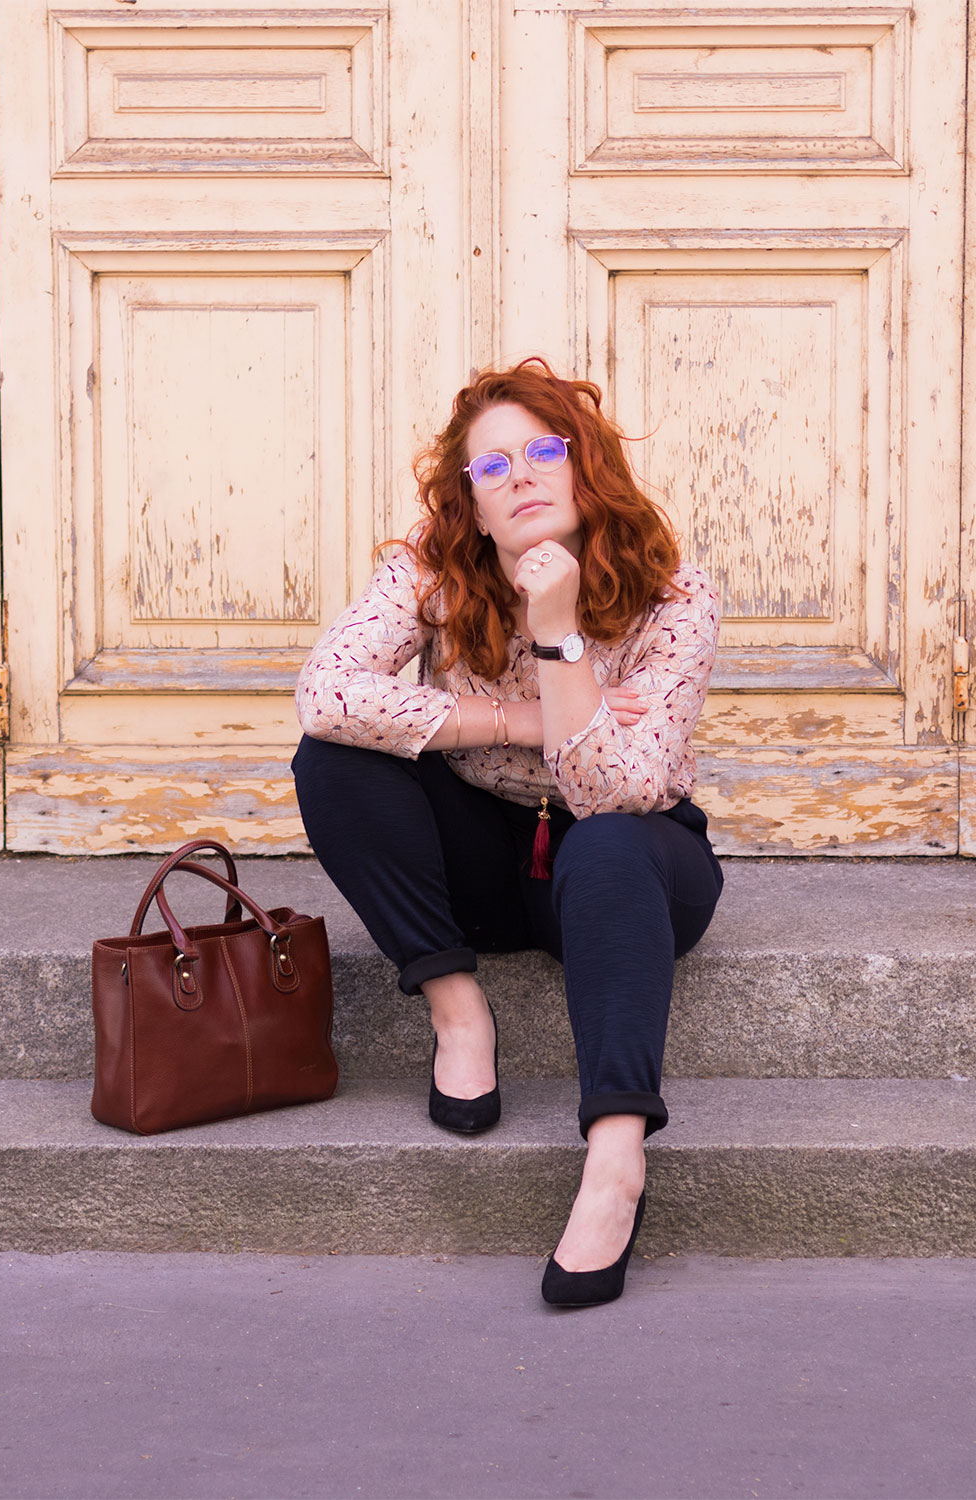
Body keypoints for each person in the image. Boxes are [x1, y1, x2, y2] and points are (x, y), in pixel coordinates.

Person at [291, 356, 723, 1307]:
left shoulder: (674, 596)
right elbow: (326, 696)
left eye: (540, 450)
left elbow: (622, 789)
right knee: (335, 760)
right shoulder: (431, 572)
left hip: (634, 868)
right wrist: (522, 719)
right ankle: (457, 1010)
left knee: (606, 839)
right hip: (486, 856)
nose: (519, 474)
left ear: (585, 469)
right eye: (491, 468)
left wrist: (559, 632)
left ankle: (616, 1165)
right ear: (474, 507)